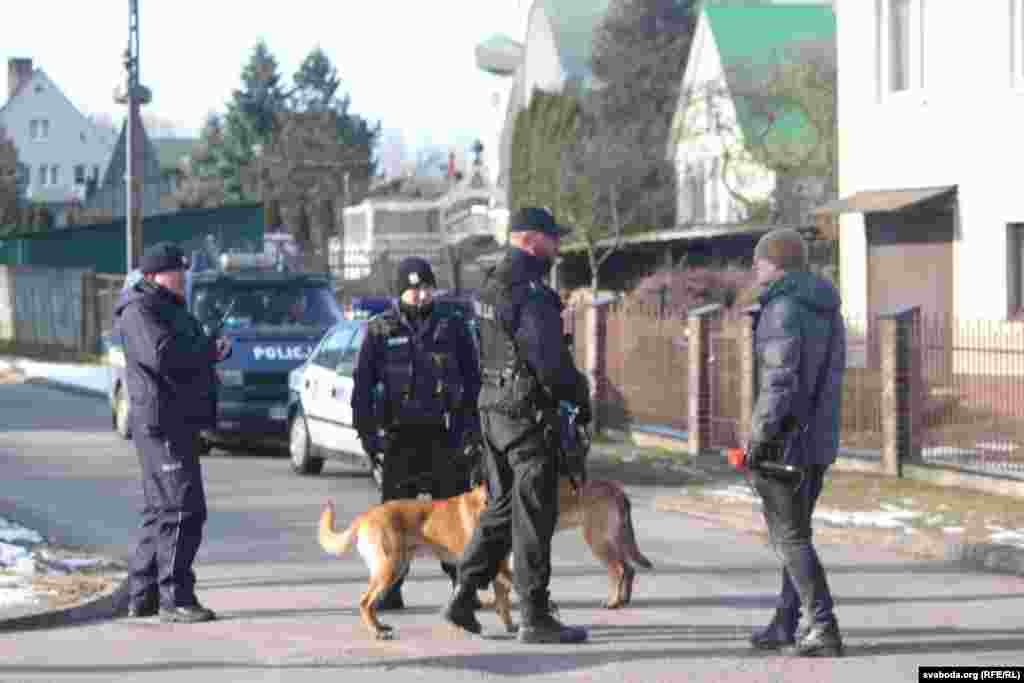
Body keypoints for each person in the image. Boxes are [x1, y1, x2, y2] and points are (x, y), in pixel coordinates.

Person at [442, 207, 591, 644]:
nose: (558, 246)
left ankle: (463, 593)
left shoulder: (490, 283)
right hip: (526, 415)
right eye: (552, 238)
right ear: (530, 239)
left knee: (503, 507)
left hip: (493, 410)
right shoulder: (530, 292)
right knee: (533, 515)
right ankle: (534, 615)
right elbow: (550, 362)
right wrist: (579, 396)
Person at [351, 256, 482, 610]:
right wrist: (368, 435)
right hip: (399, 438)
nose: (422, 295)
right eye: (414, 290)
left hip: (445, 437)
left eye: (426, 288)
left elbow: (473, 382)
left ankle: (463, 588)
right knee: (396, 519)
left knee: (453, 520)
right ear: (400, 292)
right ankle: (390, 589)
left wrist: (472, 431)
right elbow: (362, 388)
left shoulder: (453, 326)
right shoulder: (380, 329)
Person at [114, 242, 230, 623]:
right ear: (153, 275)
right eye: (174, 271)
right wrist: (205, 351)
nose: (182, 277)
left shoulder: (170, 307)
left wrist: (212, 348)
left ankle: (143, 595)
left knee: (161, 510)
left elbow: (186, 349)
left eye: (183, 270)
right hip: (162, 422)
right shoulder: (140, 309)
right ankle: (175, 598)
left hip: (177, 420)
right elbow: (163, 355)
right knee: (183, 508)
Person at [745, 228, 847, 657]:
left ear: (776, 263)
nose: (754, 268)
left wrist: (758, 437)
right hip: (818, 439)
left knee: (790, 537)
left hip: (784, 442)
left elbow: (779, 382)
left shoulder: (782, 307)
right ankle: (785, 622)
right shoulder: (826, 308)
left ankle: (823, 626)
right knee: (797, 534)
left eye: (759, 260)